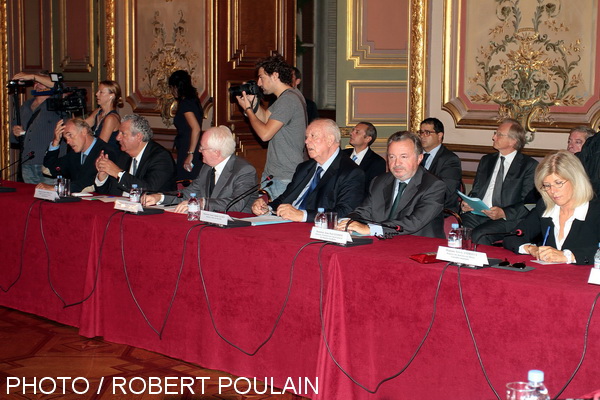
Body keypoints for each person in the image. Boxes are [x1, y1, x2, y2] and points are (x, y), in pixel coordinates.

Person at [336, 131, 446, 238]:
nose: (397, 163)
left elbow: (414, 222)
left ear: (419, 158)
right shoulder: (379, 181)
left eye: (403, 157)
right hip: (382, 246)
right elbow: (363, 212)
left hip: (420, 249)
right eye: (392, 157)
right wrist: (346, 222)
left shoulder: (434, 186)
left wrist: (371, 229)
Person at [251, 119, 364, 222]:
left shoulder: (351, 172)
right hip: (286, 224)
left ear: (330, 140)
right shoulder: (304, 168)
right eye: (306, 137)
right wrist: (268, 207)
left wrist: (303, 215)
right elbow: (285, 198)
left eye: (313, 136)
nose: (306, 141)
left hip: (314, 230)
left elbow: (345, 212)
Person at [504, 151, 600, 265]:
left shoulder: (595, 210)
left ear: (576, 180)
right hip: (549, 278)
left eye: (558, 183)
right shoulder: (545, 207)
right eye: (547, 186)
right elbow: (512, 238)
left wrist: (569, 256)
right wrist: (532, 249)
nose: (552, 191)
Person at [236, 55, 308, 199]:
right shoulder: (289, 96)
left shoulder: (288, 99)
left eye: (261, 77)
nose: (259, 82)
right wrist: (254, 104)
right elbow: (266, 118)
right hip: (279, 174)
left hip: (283, 176)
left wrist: (248, 110)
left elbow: (265, 134)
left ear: (275, 75)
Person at [143, 126, 257, 214]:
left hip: (235, 227)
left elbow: (235, 204)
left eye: (202, 147)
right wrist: (160, 197)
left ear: (216, 152)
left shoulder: (244, 170)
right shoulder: (207, 168)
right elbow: (188, 194)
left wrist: (201, 203)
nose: (199, 150)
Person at [461, 118, 538, 245]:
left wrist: (503, 212)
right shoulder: (486, 161)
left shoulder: (528, 166)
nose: (493, 137)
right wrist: (468, 203)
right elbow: (476, 191)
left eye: (498, 134)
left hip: (507, 219)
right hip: (478, 214)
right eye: (495, 133)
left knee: (480, 234)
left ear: (513, 141)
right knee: (460, 231)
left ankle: (482, 264)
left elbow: (528, 203)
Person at [94, 114, 176, 195]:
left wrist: (118, 173)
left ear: (138, 137)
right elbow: (110, 193)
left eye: (123, 133)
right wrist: (103, 176)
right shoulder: (123, 155)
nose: (117, 138)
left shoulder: (161, 157)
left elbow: (149, 189)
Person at [9, 71, 63, 184]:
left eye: (41, 82)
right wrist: (15, 132)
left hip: (49, 164)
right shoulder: (26, 105)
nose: (37, 85)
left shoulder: (57, 103)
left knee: (50, 196)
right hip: (28, 162)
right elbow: (13, 138)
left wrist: (33, 76)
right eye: (35, 83)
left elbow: (59, 86)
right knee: (30, 198)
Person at [40, 118, 119, 193]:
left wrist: (56, 188)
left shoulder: (105, 152)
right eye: (66, 138)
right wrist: (56, 141)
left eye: (70, 135)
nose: (68, 142)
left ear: (84, 131)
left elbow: (88, 183)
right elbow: (50, 168)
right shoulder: (75, 153)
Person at [418, 117, 462, 213]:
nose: (422, 136)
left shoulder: (450, 160)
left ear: (439, 135)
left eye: (427, 132)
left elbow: (446, 192)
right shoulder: (414, 155)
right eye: (421, 132)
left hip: (439, 209)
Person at [168, 70, 203, 181]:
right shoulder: (193, 101)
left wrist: (190, 153)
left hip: (189, 147)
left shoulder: (185, 104)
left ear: (175, 87)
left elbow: (196, 128)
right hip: (192, 146)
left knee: (186, 183)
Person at [342, 121, 386, 194]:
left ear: (367, 139)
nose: (351, 133)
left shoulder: (377, 162)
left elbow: (374, 191)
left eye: (357, 132)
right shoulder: (342, 155)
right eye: (353, 130)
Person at [85, 80, 122, 150]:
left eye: (101, 92)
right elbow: (82, 125)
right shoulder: (98, 112)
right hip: (97, 153)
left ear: (111, 96)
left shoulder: (111, 118)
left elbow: (100, 144)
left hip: (108, 156)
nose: (96, 94)